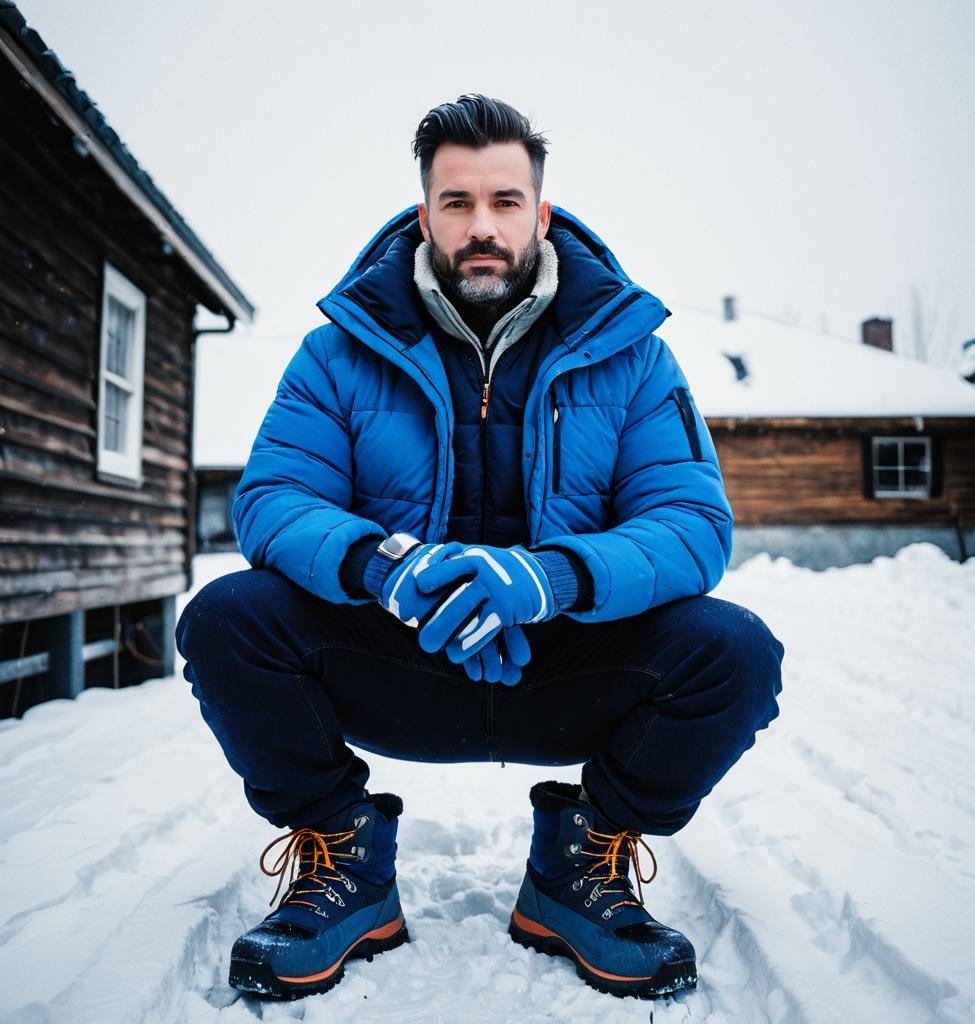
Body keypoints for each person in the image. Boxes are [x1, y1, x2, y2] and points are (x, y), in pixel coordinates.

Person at [176, 94, 785, 1002]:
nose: (482, 227)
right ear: (425, 215)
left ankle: (579, 864)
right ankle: (347, 864)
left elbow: (693, 527)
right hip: (399, 654)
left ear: (542, 213)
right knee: (228, 619)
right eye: (457, 203)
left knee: (733, 650)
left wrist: (551, 577)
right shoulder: (335, 352)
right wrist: (383, 565)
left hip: (566, 660)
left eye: (505, 202)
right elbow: (271, 498)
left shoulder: (635, 356)